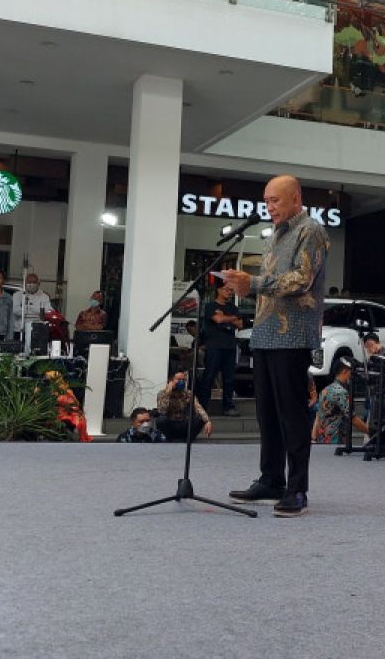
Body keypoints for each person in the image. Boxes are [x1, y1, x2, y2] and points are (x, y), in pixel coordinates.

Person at [224, 174, 328, 517]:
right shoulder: (276, 235)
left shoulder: (309, 230)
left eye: (276, 201)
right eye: (266, 201)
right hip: (266, 334)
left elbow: (301, 280)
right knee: (266, 413)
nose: (269, 207)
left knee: (292, 414)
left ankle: (297, 488)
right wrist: (243, 286)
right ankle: (271, 479)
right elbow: (270, 285)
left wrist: (252, 282)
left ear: (296, 199)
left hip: (293, 335)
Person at [196, 282, 241, 416]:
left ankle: (228, 406)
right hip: (214, 346)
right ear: (218, 290)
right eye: (226, 289)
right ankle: (203, 406)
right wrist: (231, 319)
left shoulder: (233, 307)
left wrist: (226, 317)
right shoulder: (210, 306)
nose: (229, 292)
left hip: (230, 346)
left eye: (230, 290)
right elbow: (218, 320)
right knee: (209, 375)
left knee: (229, 378)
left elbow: (240, 324)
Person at [312, 356, 369, 444]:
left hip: (323, 442)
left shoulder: (325, 390)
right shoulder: (341, 393)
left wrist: (314, 439)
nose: (353, 376)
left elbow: (318, 417)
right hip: (336, 442)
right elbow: (353, 419)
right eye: (352, 372)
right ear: (344, 371)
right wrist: (370, 432)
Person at [151, 371, 213, 442]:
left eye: (183, 380)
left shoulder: (188, 394)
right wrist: (168, 392)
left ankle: (188, 440)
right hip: (171, 424)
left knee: (199, 418)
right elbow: (162, 410)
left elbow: (198, 407)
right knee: (161, 420)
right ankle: (169, 439)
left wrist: (207, 421)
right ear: (171, 381)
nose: (182, 382)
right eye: (179, 379)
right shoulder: (162, 393)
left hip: (184, 423)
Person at [12, 273, 52, 350]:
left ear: (39, 284)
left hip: (38, 332)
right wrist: (38, 310)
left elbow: (48, 312)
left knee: (36, 354)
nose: (31, 284)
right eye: (29, 282)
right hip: (20, 331)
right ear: (25, 283)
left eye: (34, 282)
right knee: (19, 353)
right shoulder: (17, 295)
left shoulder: (44, 296)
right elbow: (16, 311)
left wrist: (27, 308)